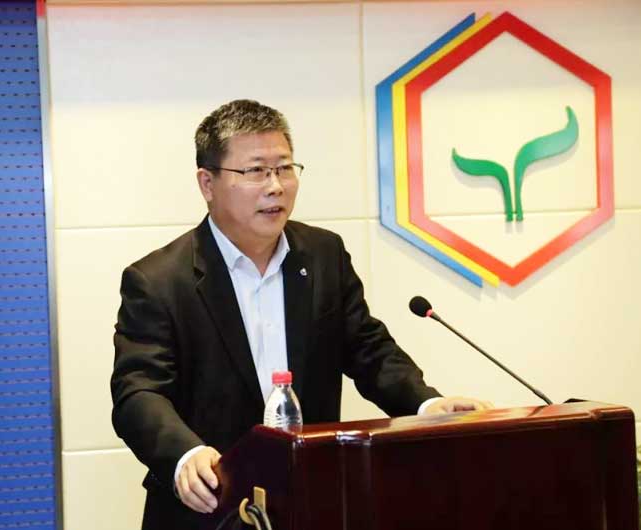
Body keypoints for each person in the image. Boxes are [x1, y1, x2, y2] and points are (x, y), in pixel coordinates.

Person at [111, 99, 491, 530]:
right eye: (256, 171)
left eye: (284, 168)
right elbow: (138, 392)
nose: (275, 186)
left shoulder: (323, 254)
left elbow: (368, 349)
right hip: (208, 509)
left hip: (312, 502)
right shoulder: (159, 280)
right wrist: (184, 454)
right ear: (207, 183)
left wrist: (427, 404)